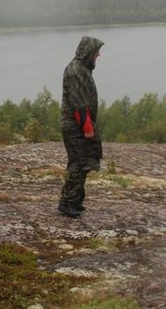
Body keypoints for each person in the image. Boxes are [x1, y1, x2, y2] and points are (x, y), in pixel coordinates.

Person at [58, 35, 104, 218]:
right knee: (78, 162)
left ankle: (76, 200)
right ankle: (67, 202)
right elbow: (78, 104)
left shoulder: (82, 69)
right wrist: (87, 127)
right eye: (96, 52)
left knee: (84, 161)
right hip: (75, 125)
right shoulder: (76, 71)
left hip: (79, 123)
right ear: (88, 53)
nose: (99, 55)